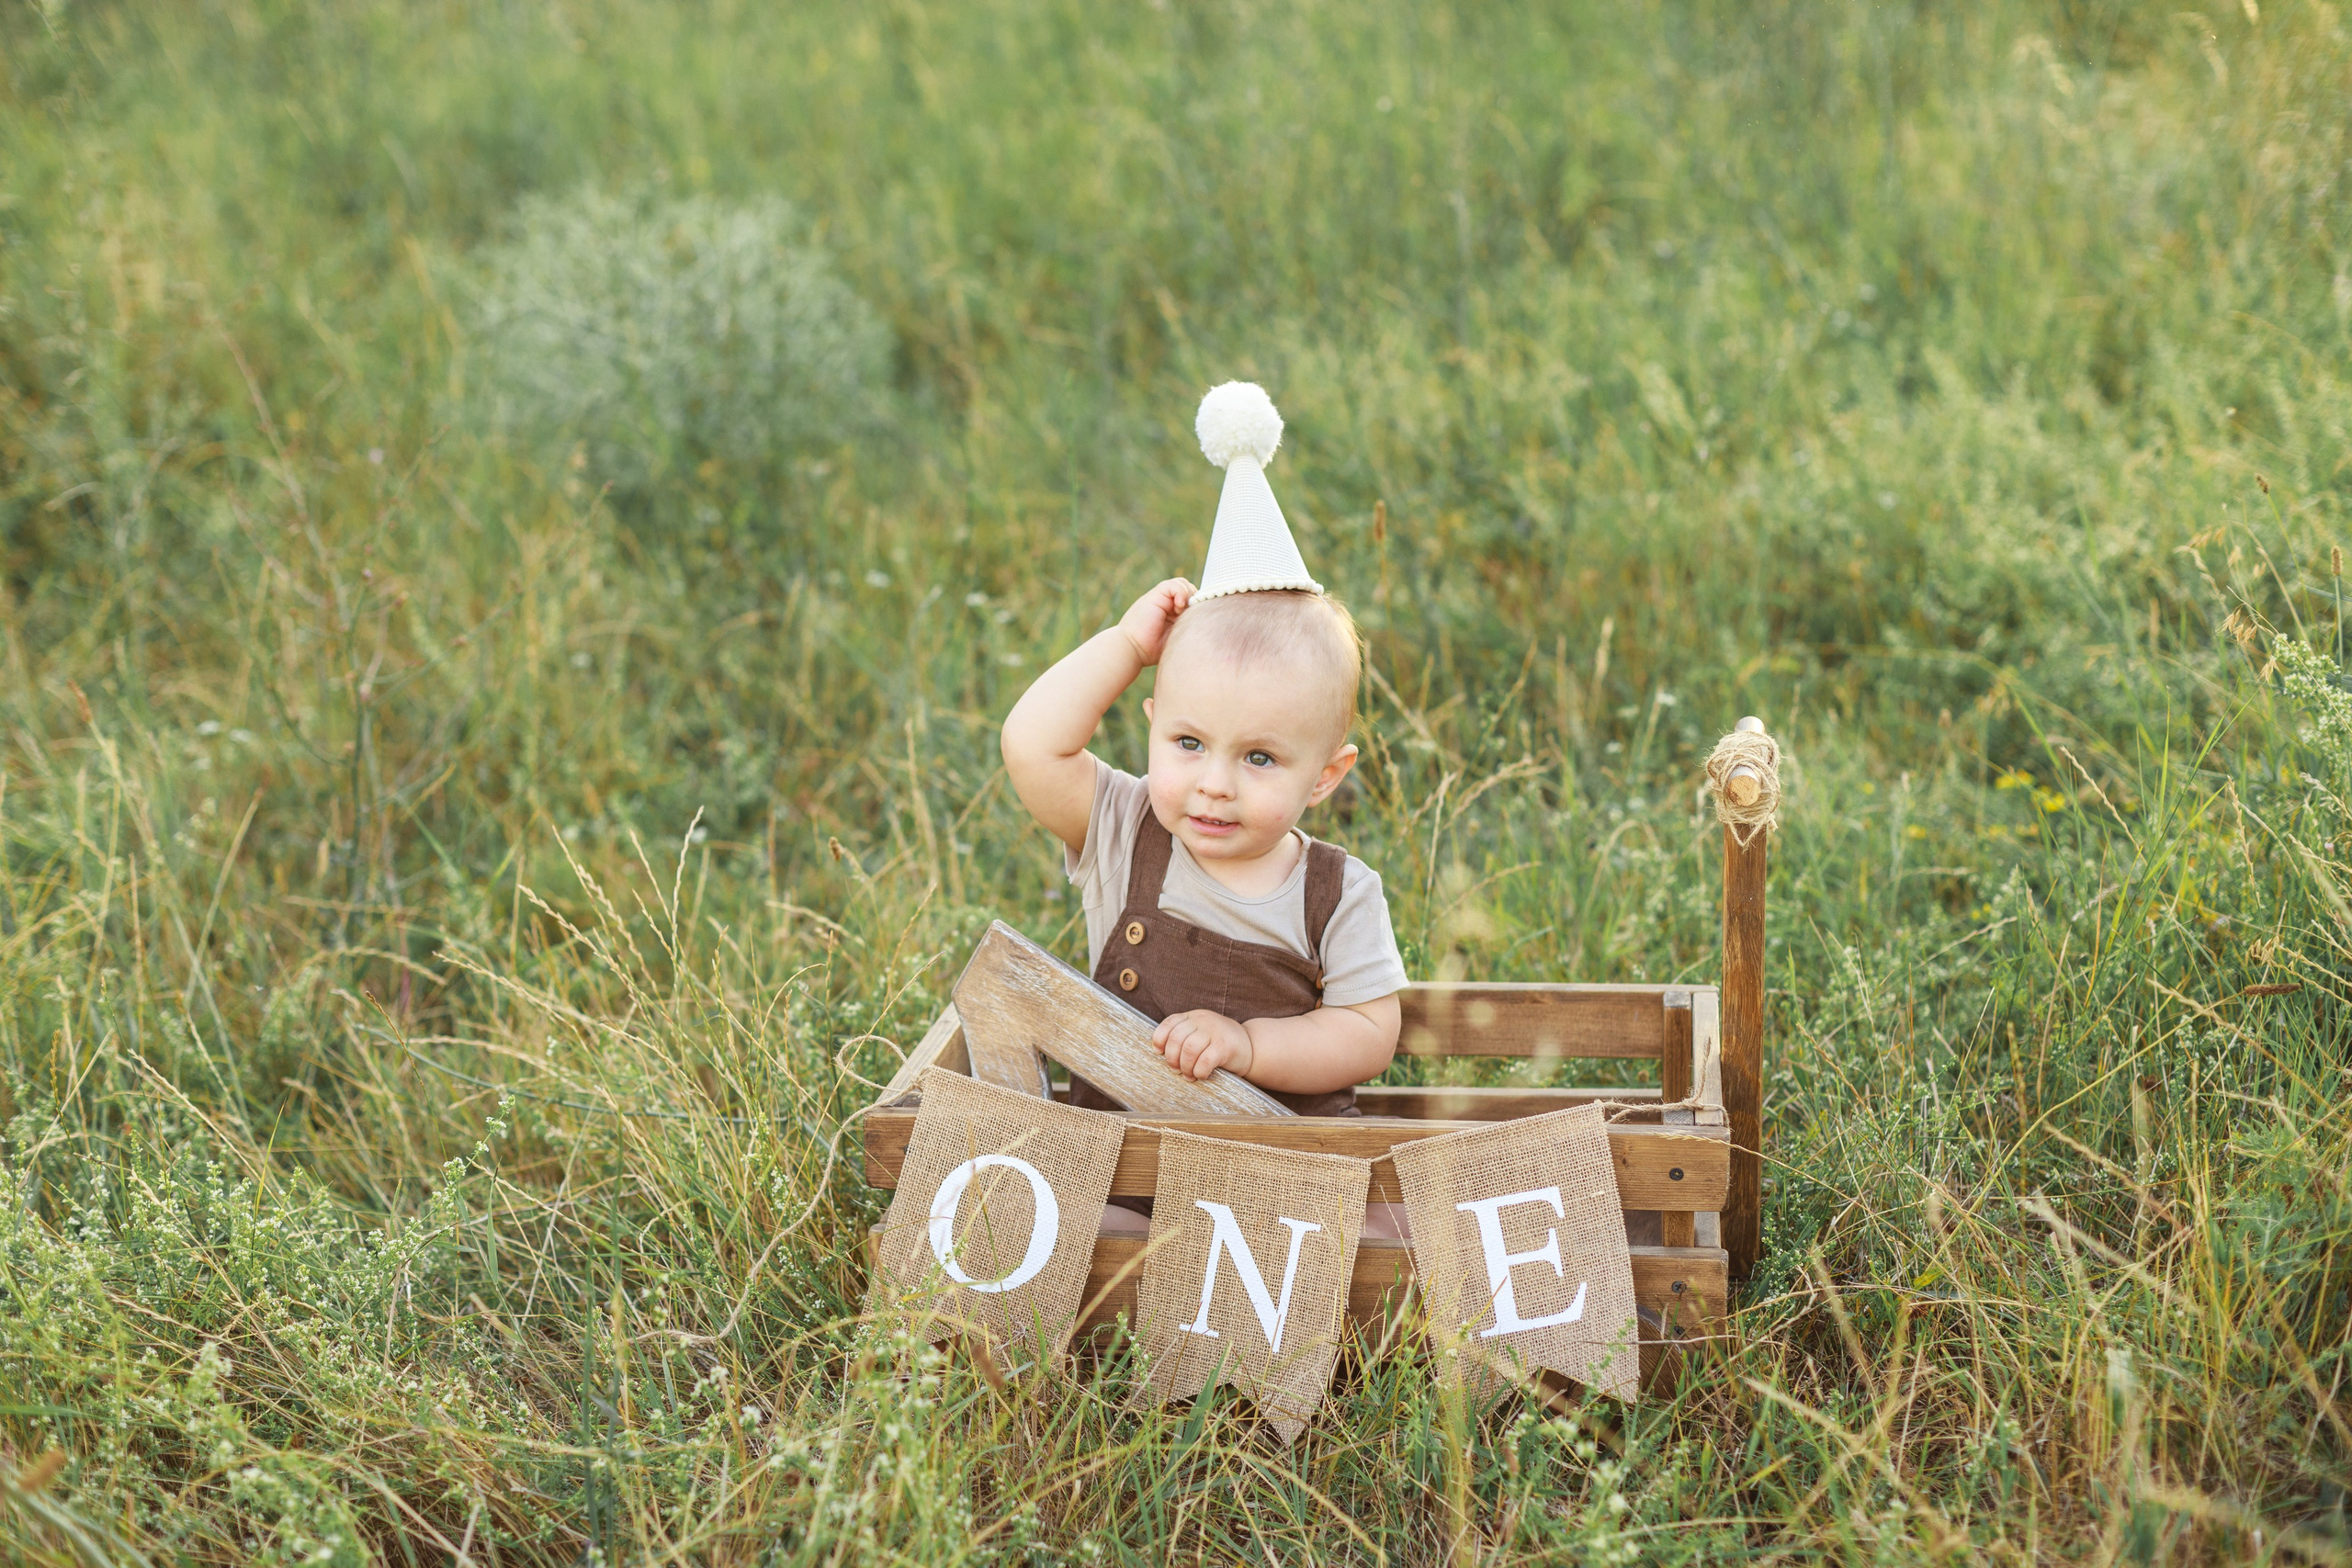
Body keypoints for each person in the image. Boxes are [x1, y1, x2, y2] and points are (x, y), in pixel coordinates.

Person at [999, 383, 1408, 1153]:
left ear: (1325, 775)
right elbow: (1031, 745)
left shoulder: (1338, 894)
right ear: (1152, 729)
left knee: (1373, 1234)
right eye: (1188, 744)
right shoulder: (1124, 826)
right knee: (1092, 1236)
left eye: (1259, 757)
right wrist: (1126, 646)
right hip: (1122, 1166)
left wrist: (1248, 1045)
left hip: (1284, 1178)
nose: (1214, 782)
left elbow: (1368, 1032)